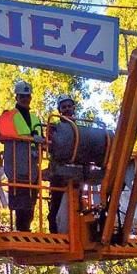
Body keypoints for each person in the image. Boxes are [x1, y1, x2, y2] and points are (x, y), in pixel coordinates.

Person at [0, 80, 43, 232]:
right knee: (20, 198)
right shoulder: (9, 116)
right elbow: (1, 137)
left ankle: (26, 228)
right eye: (22, 96)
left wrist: (39, 142)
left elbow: (41, 139)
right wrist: (29, 138)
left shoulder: (35, 118)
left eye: (28, 96)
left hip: (32, 164)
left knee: (32, 198)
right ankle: (22, 228)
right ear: (17, 97)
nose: (26, 99)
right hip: (16, 164)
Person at [48, 94, 76, 233]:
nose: (66, 109)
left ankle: (75, 231)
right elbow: (51, 145)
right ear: (59, 110)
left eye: (69, 106)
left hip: (76, 171)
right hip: (58, 171)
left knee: (76, 202)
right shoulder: (55, 127)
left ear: (74, 108)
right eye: (63, 107)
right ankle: (55, 233)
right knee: (56, 203)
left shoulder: (79, 128)